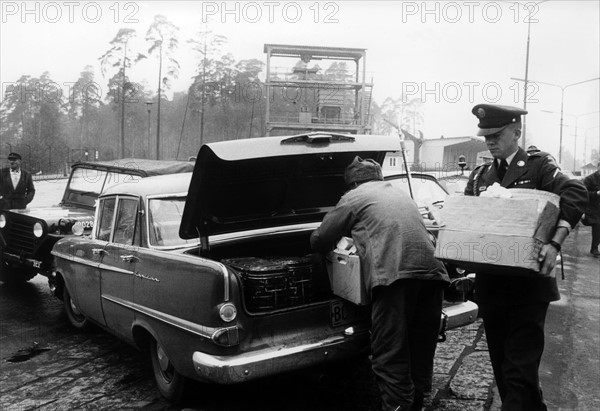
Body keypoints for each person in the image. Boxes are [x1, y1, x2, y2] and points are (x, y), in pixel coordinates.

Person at [464, 104, 588, 410]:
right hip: (492, 287)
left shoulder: (539, 165)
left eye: (496, 134)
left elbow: (575, 193)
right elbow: (467, 218)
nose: (489, 141)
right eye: (485, 136)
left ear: (516, 132)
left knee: (518, 372)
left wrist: (555, 242)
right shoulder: (481, 175)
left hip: (528, 289)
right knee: (508, 375)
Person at [310, 156, 450, 411]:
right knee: (419, 348)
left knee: (390, 354)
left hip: (394, 279)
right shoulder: (400, 195)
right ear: (379, 177)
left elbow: (321, 239)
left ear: (353, 183)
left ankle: (397, 406)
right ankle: (415, 403)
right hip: (434, 276)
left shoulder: (354, 197)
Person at [582, 165, 600, 257]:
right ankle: (594, 248)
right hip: (593, 208)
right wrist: (596, 193)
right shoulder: (590, 179)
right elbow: (583, 193)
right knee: (597, 225)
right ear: (599, 167)